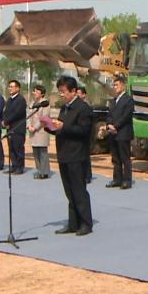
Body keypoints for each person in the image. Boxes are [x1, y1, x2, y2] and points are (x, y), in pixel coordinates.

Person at [48, 76, 94, 236]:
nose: (61, 95)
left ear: (74, 91)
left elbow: (84, 131)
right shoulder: (64, 108)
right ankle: (73, 223)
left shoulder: (83, 108)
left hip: (77, 155)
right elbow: (61, 129)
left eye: (63, 92)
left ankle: (86, 223)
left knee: (79, 190)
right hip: (64, 154)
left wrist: (64, 126)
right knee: (69, 191)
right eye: (59, 92)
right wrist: (48, 126)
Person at [106, 75, 135, 189]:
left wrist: (116, 126)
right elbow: (109, 115)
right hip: (113, 134)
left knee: (125, 158)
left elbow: (126, 116)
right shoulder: (113, 101)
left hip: (123, 133)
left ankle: (127, 180)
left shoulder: (128, 100)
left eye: (117, 85)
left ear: (123, 86)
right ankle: (117, 179)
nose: (115, 87)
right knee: (115, 158)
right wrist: (109, 125)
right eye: (114, 85)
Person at [2, 80, 27, 175]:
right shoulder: (9, 100)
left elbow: (16, 114)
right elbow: (5, 112)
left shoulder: (21, 100)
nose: (10, 88)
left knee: (18, 148)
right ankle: (14, 166)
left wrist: (7, 121)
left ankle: (20, 167)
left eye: (12, 86)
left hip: (18, 128)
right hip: (9, 128)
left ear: (18, 88)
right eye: (9, 86)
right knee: (11, 148)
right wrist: (4, 121)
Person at [27, 85, 51, 180]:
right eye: (34, 91)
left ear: (42, 93)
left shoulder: (45, 104)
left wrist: (35, 127)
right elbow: (28, 115)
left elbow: (44, 118)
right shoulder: (32, 103)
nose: (35, 93)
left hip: (41, 131)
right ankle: (39, 170)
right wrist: (29, 125)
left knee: (42, 152)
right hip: (32, 131)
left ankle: (44, 172)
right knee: (35, 152)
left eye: (37, 91)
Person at [76, 85, 94, 183]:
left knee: (85, 156)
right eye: (77, 94)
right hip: (77, 135)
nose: (78, 96)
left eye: (79, 94)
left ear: (84, 95)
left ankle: (87, 176)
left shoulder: (87, 107)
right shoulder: (75, 107)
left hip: (85, 135)